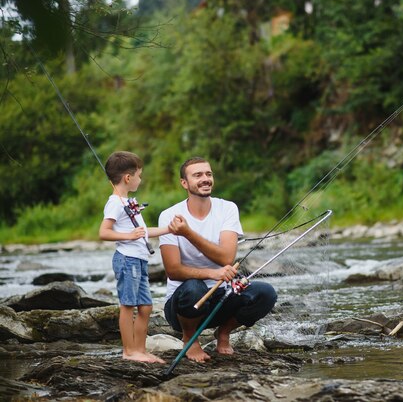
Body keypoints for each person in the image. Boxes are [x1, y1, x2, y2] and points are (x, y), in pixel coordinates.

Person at [158, 157, 277, 362]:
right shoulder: (170, 215)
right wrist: (211, 273)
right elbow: (173, 270)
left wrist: (188, 233)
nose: (205, 179)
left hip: (221, 297)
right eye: (198, 175)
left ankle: (223, 333)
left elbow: (226, 257)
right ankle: (190, 338)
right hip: (183, 307)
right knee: (194, 287)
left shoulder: (227, 208)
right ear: (184, 183)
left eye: (208, 174)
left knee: (265, 293)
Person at [99, 151, 169, 364]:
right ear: (128, 178)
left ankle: (140, 350)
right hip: (127, 260)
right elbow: (104, 232)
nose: (141, 179)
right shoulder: (115, 203)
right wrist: (128, 235)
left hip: (139, 260)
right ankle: (128, 351)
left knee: (146, 306)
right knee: (128, 306)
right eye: (139, 175)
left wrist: (170, 229)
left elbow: (144, 231)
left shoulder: (128, 202)